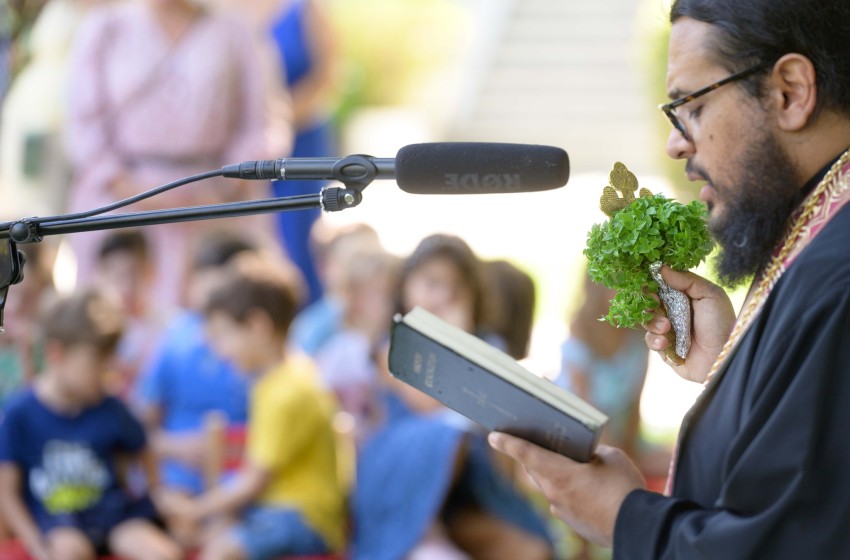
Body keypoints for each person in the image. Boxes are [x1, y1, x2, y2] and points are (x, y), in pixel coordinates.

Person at [488, 0, 850, 556]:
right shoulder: (821, 222)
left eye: (693, 106)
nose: (675, 143)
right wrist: (736, 361)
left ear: (790, 92)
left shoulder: (839, 272)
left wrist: (621, 518)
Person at [63, 0, 289, 310]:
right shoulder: (106, 29)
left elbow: (264, 123)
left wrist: (222, 186)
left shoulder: (235, 29)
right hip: (124, 206)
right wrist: (129, 189)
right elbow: (83, 126)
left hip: (214, 200)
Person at [353, 234, 553, 560]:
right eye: (432, 283)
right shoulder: (392, 346)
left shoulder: (490, 345)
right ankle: (424, 528)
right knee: (450, 434)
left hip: (472, 484)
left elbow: (502, 415)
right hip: (403, 470)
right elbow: (430, 403)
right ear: (406, 287)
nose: (444, 296)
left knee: (534, 550)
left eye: (456, 288)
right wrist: (455, 339)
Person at [162, 254, 346, 560]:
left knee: (220, 552)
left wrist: (195, 508)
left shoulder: (287, 391)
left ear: (258, 326)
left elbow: (252, 481)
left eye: (224, 335)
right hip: (278, 509)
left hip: (302, 516)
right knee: (213, 535)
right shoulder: (277, 380)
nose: (220, 352)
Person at [0, 290, 182, 560]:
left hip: (115, 515)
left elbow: (144, 448)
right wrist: (35, 542)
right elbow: (6, 492)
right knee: (69, 551)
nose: (107, 372)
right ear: (57, 353)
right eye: (98, 361)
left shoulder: (111, 408)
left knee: (164, 553)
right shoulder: (19, 415)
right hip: (57, 521)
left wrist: (158, 492)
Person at [133, 232, 254, 502]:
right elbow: (142, 427)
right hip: (178, 474)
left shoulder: (256, 343)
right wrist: (174, 447)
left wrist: (226, 450)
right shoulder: (175, 339)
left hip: (243, 475)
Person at [94, 230, 163, 399]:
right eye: (117, 276)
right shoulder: (94, 330)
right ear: (101, 276)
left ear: (150, 271)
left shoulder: (167, 327)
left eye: (133, 274)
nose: (126, 287)